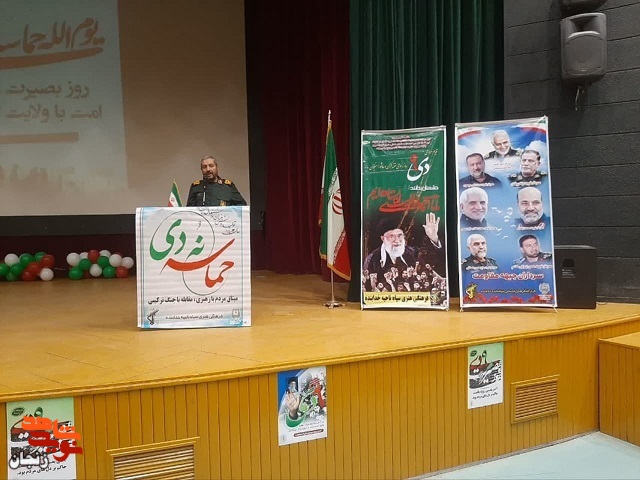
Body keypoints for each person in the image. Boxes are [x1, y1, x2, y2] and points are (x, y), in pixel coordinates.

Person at [362, 212, 446, 292]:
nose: (397, 240)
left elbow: (436, 261)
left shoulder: (413, 253)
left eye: (400, 235)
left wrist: (434, 238)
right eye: (392, 236)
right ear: (383, 238)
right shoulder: (372, 259)